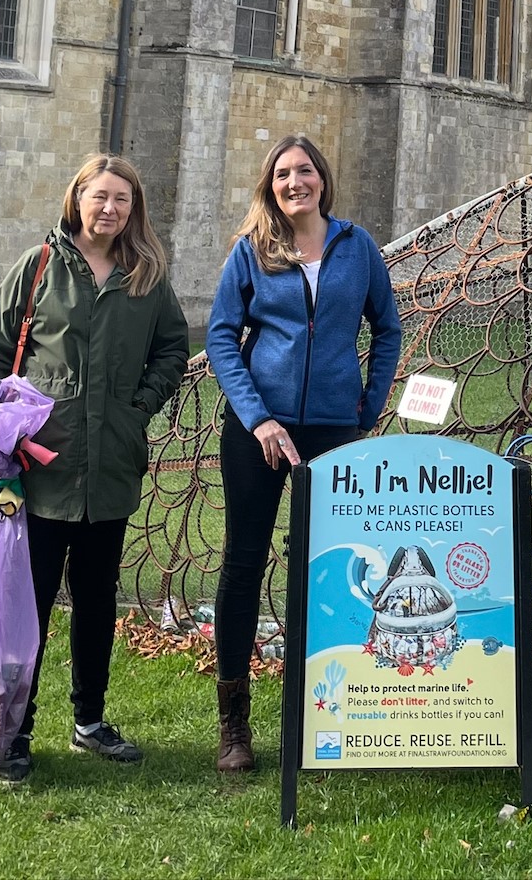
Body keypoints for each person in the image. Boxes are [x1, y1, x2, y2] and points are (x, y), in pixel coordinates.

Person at [0, 154, 191, 785]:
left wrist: (138, 408)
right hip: (39, 474)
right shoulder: (38, 269)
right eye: (100, 197)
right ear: (78, 199)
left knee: (97, 602)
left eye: (122, 199)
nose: (110, 209)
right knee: (27, 608)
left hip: (110, 470)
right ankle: (13, 729)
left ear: (133, 209)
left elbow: (173, 346)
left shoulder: (145, 277)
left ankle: (89, 720)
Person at [205, 133, 403, 774]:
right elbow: (220, 339)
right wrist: (258, 419)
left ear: (323, 179)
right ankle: (234, 722)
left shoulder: (358, 247)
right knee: (243, 563)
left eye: (307, 171)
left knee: (326, 569)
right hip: (260, 434)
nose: (297, 182)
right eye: (285, 173)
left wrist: (367, 408)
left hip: (331, 432)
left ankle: (325, 712)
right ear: (271, 183)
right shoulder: (252, 251)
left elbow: (388, 328)